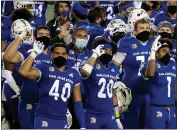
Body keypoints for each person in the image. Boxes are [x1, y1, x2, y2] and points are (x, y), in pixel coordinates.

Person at [18, 43, 86, 129]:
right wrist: (34, 53)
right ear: (51, 55)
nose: (60, 56)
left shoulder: (74, 73)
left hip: (62, 119)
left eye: (63, 54)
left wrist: (83, 126)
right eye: (57, 53)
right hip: (43, 117)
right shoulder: (43, 67)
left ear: (67, 56)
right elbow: (23, 71)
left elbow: (77, 101)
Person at [3, 22, 52, 128]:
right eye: (41, 34)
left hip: (48, 102)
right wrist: (21, 36)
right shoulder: (27, 49)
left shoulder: (56, 52)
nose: (44, 36)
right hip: (28, 100)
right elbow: (8, 57)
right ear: (34, 37)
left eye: (47, 34)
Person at [112, 8, 153, 129]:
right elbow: (115, 65)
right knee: (131, 125)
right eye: (141, 28)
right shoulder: (126, 42)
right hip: (130, 92)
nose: (145, 31)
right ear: (133, 29)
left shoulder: (154, 42)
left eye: (147, 28)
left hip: (150, 92)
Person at [80, 37, 122, 129]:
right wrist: (94, 54)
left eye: (110, 51)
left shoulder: (114, 69)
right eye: (105, 50)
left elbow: (113, 94)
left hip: (109, 115)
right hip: (92, 114)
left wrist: (117, 117)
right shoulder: (89, 64)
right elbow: (84, 73)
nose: (108, 53)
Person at [140, 37, 176, 128]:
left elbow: (175, 90)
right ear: (156, 53)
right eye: (164, 51)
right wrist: (152, 52)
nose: (167, 54)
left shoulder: (173, 65)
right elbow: (150, 74)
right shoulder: (148, 64)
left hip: (172, 110)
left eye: (169, 52)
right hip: (156, 110)